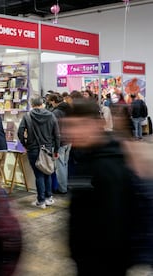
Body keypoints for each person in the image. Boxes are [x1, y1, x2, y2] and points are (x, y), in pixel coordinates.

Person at [62, 99, 134, 276]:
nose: (74, 131)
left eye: (82, 125)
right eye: (70, 125)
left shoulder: (107, 165)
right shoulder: (85, 157)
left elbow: (114, 226)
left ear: (98, 124)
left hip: (101, 263)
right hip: (86, 259)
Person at [17, 94, 60, 209]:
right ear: (42, 103)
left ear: (32, 104)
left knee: (38, 175)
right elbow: (56, 135)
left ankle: (41, 201)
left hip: (33, 149)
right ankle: (48, 198)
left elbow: (20, 132)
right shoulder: (51, 115)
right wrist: (56, 149)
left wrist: (25, 145)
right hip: (48, 149)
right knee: (48, 172)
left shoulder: (28, 116)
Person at [47, 93, 72, 194]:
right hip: (69, 140)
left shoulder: (56, 113)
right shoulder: (69, 109)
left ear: (53, 101)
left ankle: (62, 188)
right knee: (64, 164)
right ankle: (65, 185)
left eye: (51, 102)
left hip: (60, 142)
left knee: (60, 166)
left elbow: (53, 129)